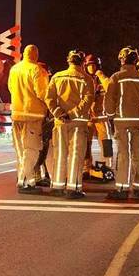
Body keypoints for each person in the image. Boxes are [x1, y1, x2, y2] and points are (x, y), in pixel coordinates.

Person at [103, 47, 139, 200]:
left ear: (122, 59)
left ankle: (122, 187)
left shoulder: (116, 77)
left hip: (121, 121)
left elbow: (109, 100)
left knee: (124, 154)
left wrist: (110, 115)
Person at [44, 50, 97, 199]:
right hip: (78, 123)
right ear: (82, 62)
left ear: (68, 61)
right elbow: (87, 101)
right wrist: (72, 114)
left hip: (60, 122)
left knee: (60, 153)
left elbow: (49, 98)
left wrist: (59, 112)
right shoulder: (86, 79)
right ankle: (73, 188)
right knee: (76, 155)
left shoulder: (57, 77)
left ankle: (57, 186)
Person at [8, 44, 49, 193]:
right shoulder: (36, 69)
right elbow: (42, 93)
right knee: (31, 149)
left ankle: (28, 180)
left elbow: (11, 88)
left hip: (16, 114)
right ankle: (25, 181)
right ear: (35, 55)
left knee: (20, 150)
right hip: (32, 116)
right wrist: (52, 107)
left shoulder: (14, 69)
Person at [83, 54, 113, 179]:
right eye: (89, 65)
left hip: (101, 118)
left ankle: (108, 167)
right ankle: (86, 168)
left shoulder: (103, 80)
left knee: (106, 144)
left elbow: (111, 88)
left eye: (94, 65)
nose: (92, 68)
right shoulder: (84, 79)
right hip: (88, 118)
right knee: (86, 145)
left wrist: (101, 76)